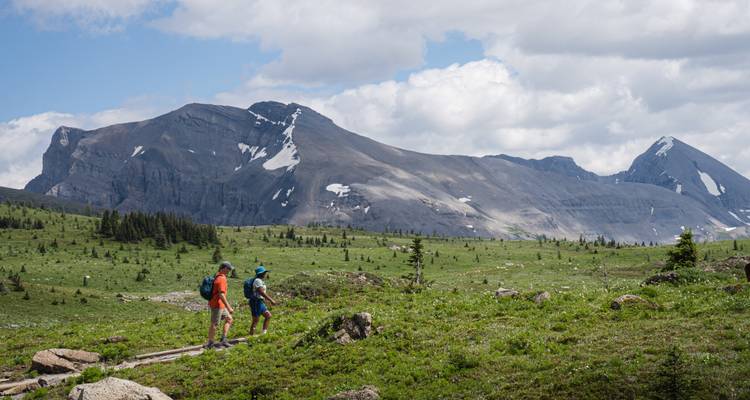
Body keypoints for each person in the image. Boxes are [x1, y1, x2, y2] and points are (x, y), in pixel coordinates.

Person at [206, 261, 235, 348]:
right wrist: (229, 307)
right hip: (217, 305)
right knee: (214, 323)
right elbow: (221, 294)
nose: (229, 271)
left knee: (229, 319)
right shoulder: (221, 278)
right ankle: (210, 343)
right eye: (229, 269)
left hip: (220, 304)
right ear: (224, 268)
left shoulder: (218, 276)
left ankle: (223, 340)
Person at [249, 266, 276, 335]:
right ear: (261, 273)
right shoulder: (257, 281)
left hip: (259, 302)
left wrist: (265, 300)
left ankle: (264, 333)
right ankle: (251, 336)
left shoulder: (260, 281)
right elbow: (261, 292)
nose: (266, 274)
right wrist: (271, 300)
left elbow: (262, 293)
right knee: (256, 320)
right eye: (265, 273)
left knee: (268, 316)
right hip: (255, 302)